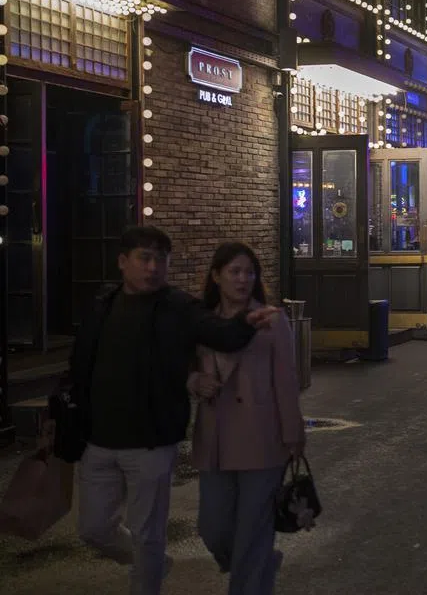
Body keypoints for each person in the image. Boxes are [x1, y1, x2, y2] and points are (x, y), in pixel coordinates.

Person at [68, 226, 278, 595]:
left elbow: (220, 333)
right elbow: (81, 361)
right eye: (144, 258)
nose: (153, 268)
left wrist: (246, 323)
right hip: (97, 439)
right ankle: (153, 564)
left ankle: (147, 579)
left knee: (148, 533)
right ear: (123, 262)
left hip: (151, 441)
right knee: (94, 528)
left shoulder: (178, 307)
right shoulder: (102, 303)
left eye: (161, 260)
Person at [189, 243, 305, 595]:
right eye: (234, 272)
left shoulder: (271, 320)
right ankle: (255, 564)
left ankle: (251, 575)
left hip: (262, 438)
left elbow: (287, 381)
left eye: (249, 272)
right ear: (216, 276)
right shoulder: (202, 321)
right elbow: (183, 365)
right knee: (214, 527)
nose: (242, 279)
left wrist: (293, 435)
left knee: (253, 533)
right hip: (215, 440)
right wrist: (195, 381)